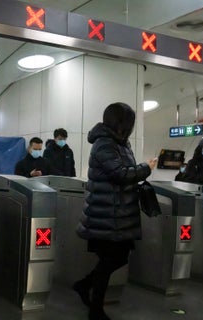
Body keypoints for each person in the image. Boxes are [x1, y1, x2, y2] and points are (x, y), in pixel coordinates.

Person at [73, 102, 157, 320]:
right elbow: (119, 174)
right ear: (121, 123)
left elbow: (124, 172)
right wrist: (146, 168)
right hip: (106, 214)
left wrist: (140, 169)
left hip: (118, 214)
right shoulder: (104, 144)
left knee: (117, 258)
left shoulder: (121, 143)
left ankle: (83, 286)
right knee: (110, 259)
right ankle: (95, 309)